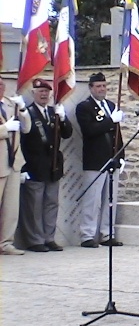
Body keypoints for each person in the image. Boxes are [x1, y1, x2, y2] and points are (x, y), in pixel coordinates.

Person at [18, 79, 73, 252]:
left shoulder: (53, 112)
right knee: (34, 206)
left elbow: (67, 133)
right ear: (33, 93)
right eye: (40, 91)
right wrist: (23, 168)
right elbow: (21, 142)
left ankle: (49, 238)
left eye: (46, 92)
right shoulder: (27, 113)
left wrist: (63, 118)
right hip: (34, 166)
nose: (44, 94)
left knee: (51, 204)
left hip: (53, 166)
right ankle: (35, 240)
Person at [75, 72, 125, 248]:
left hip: (112, 159)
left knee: (110, 200)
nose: (102, 89)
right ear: (91, 88)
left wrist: (121, 155)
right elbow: (90, 130)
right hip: (95, 160)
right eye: (98, 86)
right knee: (92, 200)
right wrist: (110, 120)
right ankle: (87, 234)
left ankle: (107, 233)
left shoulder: (111, 105)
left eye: (104, 86)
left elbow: (117, 134)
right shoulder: (84, 107)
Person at [0, 76, 31, 255]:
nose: (1, 88)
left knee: (11, 208)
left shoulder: (11, 104)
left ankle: (6, 243)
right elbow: (9, 129)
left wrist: (24, 109)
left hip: (13, 162)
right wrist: (5, 129)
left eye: (2, 85)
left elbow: (26, 128)